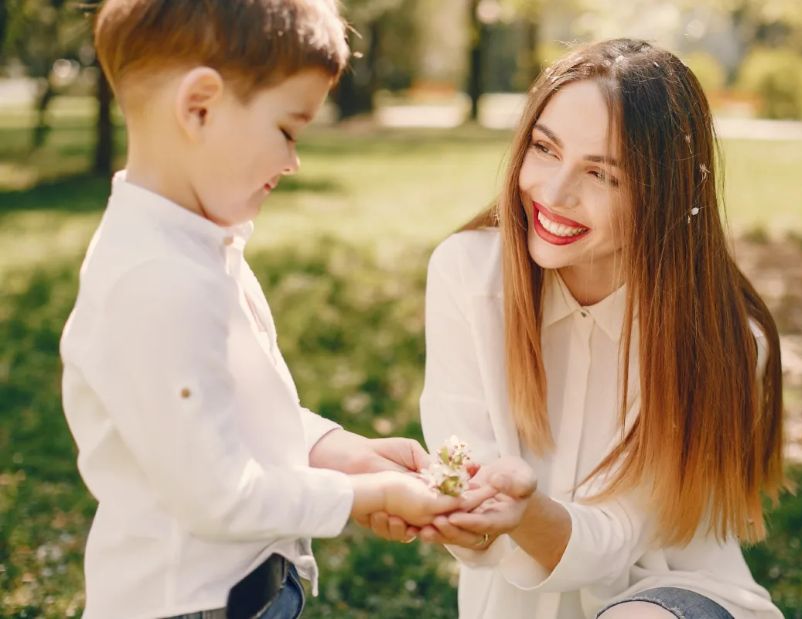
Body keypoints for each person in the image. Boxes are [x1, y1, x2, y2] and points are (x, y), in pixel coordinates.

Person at [59, 2, 489, 617]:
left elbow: (229, 408)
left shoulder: (197, 244)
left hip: (253, 593)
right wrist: (363, 494)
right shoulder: (157, 280)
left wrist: (337, 449)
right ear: (199, 106)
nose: (293, 162)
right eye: (288, 130)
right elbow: (218, 497)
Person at [371, 39, 787, 618]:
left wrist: (525, 512)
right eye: (544, 148)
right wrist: (465, 515)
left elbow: (618, 540)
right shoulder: (467, 274)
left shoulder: (724, 340)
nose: (554, 194)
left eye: (602, 174)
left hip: (673, 601)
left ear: (664, 197)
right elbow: (462, 480)